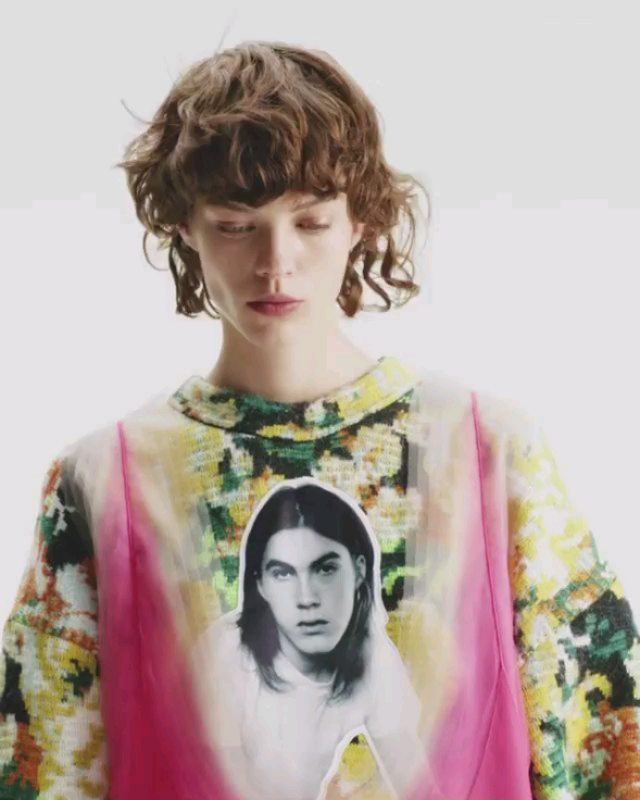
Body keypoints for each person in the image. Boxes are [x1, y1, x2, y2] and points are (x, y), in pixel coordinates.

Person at [1, 39, 638, 800]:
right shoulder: (105, 482)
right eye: (236, 224)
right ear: (184, 226)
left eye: (310, 221)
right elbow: (40, 768)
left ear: (359, 220)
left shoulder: (487, 452)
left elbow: (605, 752)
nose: (276, 262)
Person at [191, 478, 426, 800]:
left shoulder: (373, 657)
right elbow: (219, 787)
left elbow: (417, 780)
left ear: (359, 571)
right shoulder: (225, 652)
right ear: (260, 585)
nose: (306, 598)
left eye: (325, 569)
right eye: (283, 573)